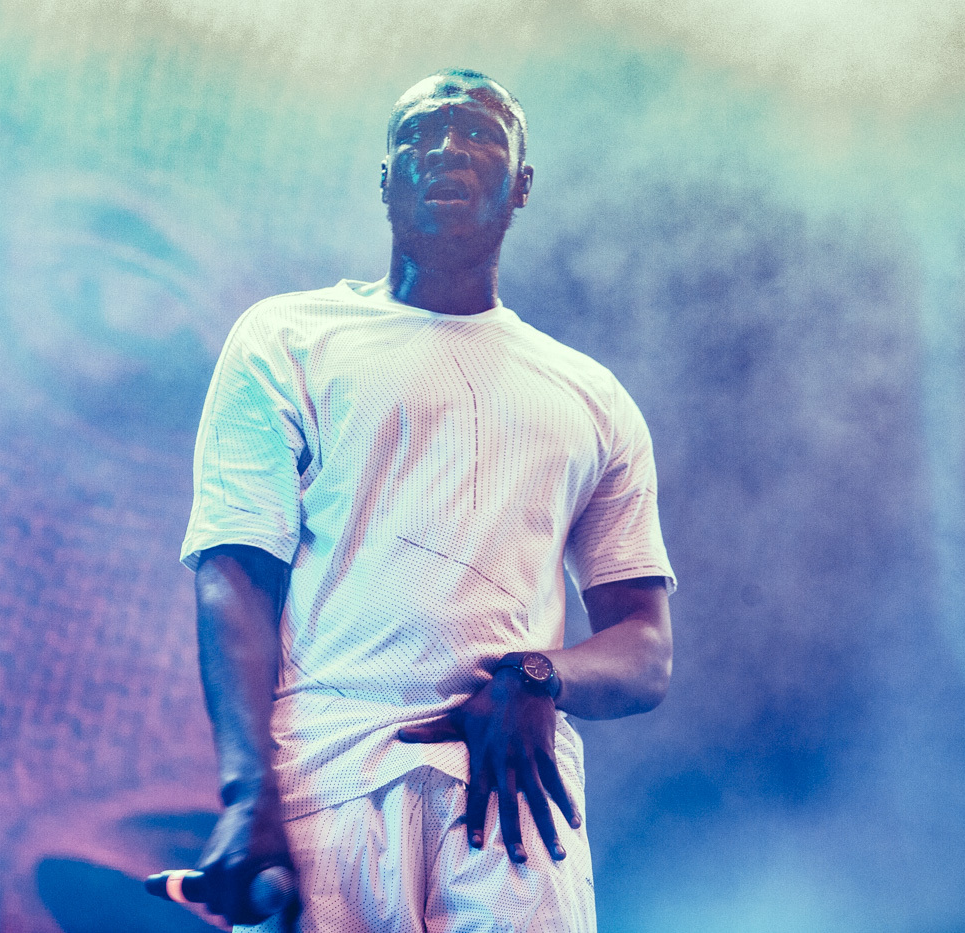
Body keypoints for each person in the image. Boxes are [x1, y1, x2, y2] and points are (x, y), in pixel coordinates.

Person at [180, 69, 676, 932]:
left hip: (515, 798)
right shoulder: (289, 337)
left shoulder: (591, 395)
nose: (447, 147)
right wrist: (247, 793)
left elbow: (646, 650)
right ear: (385, 179)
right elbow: (234, 568)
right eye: (419, 132)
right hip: (327, 775)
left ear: (522, 183)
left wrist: (539, 675)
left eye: (480, 132)